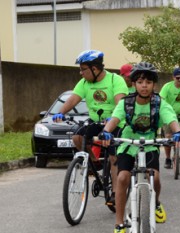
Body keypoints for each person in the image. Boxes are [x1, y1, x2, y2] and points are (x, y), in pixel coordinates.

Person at [99, 62, 180, 233]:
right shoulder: (126, 103)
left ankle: (156, 203)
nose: (144, 85)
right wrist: (106, 131)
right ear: (134, 84)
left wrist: (177, 132)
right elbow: (114, 119)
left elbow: (171, 119)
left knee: (156, 178)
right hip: (129, 144)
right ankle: (119, 225)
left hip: (150, 144)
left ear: (154, 85)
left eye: (148, 82)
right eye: (140, 81)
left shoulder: (159, 103)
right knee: (122, 178)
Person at [53, 50, 128, 206]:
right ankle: (96, 164)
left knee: (114, 157)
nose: (81, 73)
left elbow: (121, 103)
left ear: (95, 68)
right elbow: (73, 100)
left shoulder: (115, 80)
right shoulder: (84, 83)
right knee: (77, 138)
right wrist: (59, 113)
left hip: (115, 122)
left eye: (83, 69)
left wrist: (113, 117)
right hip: (96, 121)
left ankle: (115, 193)